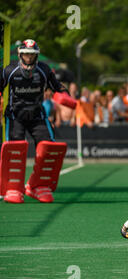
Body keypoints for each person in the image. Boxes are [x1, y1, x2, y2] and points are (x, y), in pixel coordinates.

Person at [0, 39, 71, 203]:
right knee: (14, 150)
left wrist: (65, 96)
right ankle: (13, 188)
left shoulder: (44, 70)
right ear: (20, 54)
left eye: (32, 55)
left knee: (49, 148)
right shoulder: (10, 70)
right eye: (26, 54)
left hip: (38, 115)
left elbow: (56, 86)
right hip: (15, 115)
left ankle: (38, 186)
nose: (28, 58)